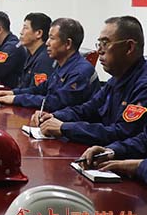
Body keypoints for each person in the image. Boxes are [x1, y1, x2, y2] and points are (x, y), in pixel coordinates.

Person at [31, 16, 147, 145]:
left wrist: (65, 128)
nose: (99, 50)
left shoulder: (143, 85)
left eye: (105, 43)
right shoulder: (115, 80)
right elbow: (88, 109)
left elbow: (122, 132)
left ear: (129, 47)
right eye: (99, 44)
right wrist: (55, 116)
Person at [0, 18, 100, 111]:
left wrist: (16, 99)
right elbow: (40, 89)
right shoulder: (63, 65)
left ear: (68, 43)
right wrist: (12, 93)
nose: (47, 43)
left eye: (52, 38)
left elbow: (56, 102)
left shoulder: (80, 71)